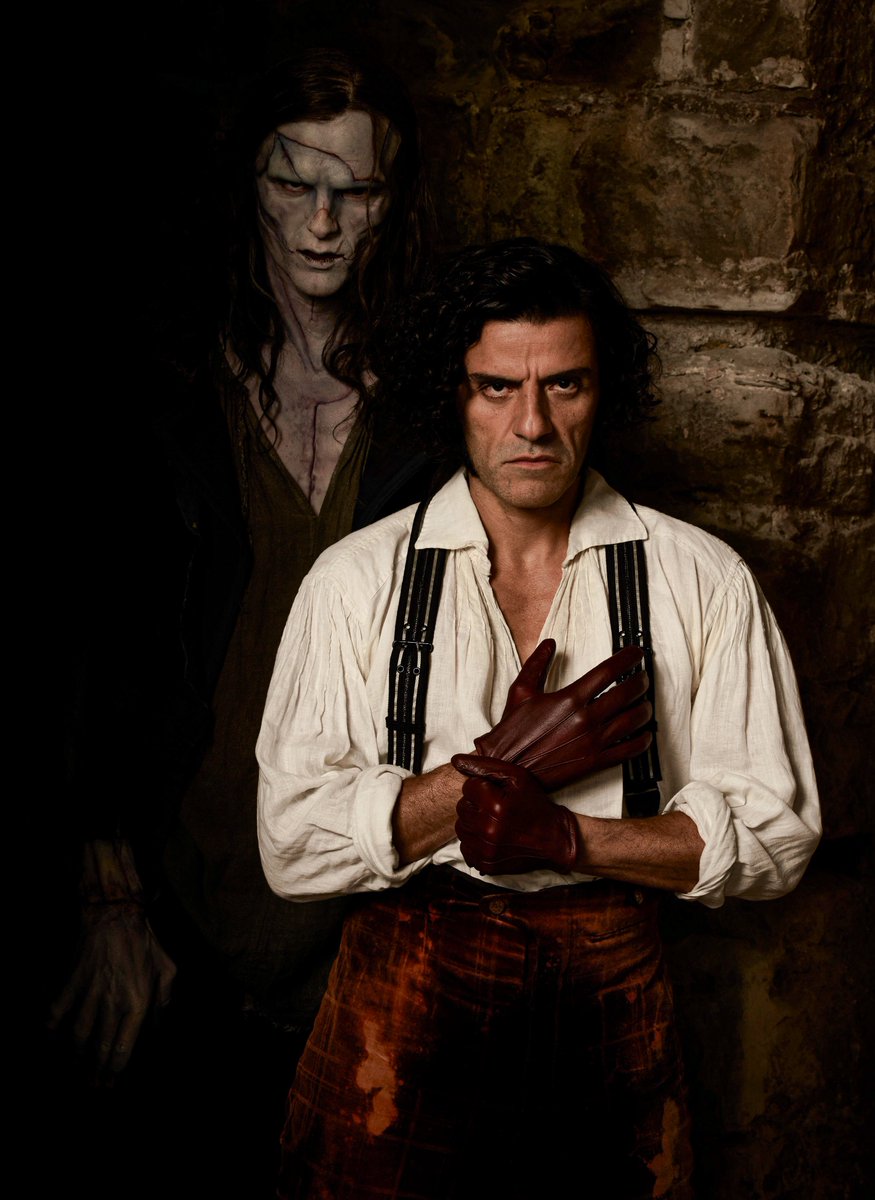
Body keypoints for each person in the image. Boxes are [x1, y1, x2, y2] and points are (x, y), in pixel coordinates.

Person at [255, 238, 822, 1199]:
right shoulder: (354, 583)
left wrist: (565, 836)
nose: (531, 424)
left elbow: (775, 836)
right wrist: (488, 775)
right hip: (403, 1016)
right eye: (495, 388)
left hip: (611, 1004)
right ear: (454, 394)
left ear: (603, 392)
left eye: (564, 385)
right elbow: (291, 843)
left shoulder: (700, 579)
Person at [50, 44, 437, 1194]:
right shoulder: (163, 388)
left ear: (391, 202)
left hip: (366, 916)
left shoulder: (436, 406)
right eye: (290, 182)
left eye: (353, 190)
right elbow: (93, 649)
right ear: (246, 185)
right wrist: (109, 899)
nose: (320, 223)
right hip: (172, 908)